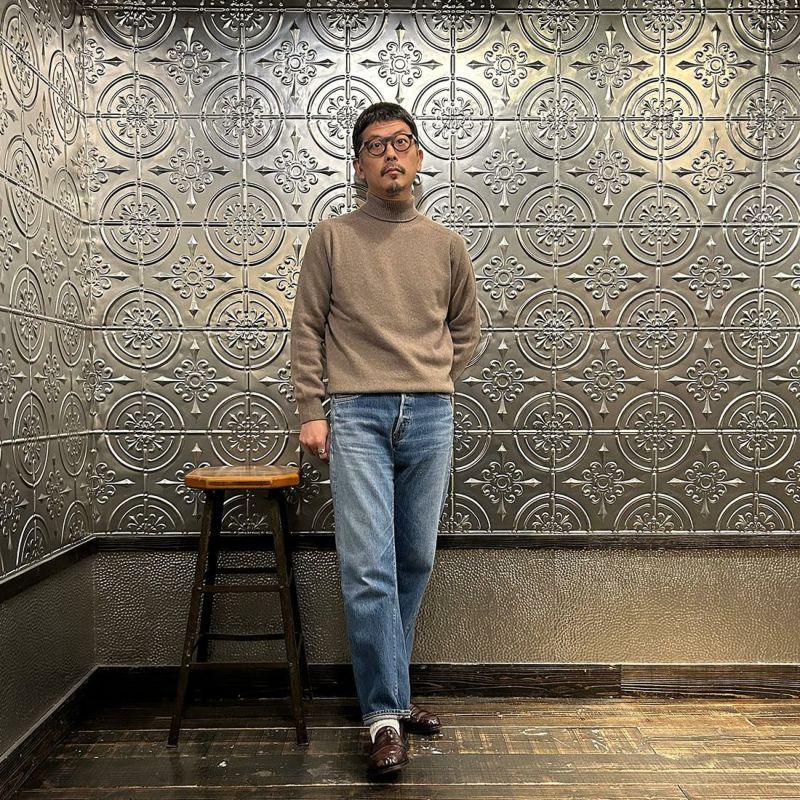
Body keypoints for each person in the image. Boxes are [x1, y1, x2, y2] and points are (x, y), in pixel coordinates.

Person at [290, 101, 481, 779]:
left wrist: (431, 376)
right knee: (368, 566)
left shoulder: (446, 245)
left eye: (401, 142)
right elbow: (307, 326)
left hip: (430, 413)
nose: (390, 155)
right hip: (356, 413)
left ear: (419, 156)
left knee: (414, 559)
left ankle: (393, 696)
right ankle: (382, 717)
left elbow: (466, 329)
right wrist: (312, 408)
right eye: (375, 146)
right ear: (359, 165)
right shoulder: (333, 238)